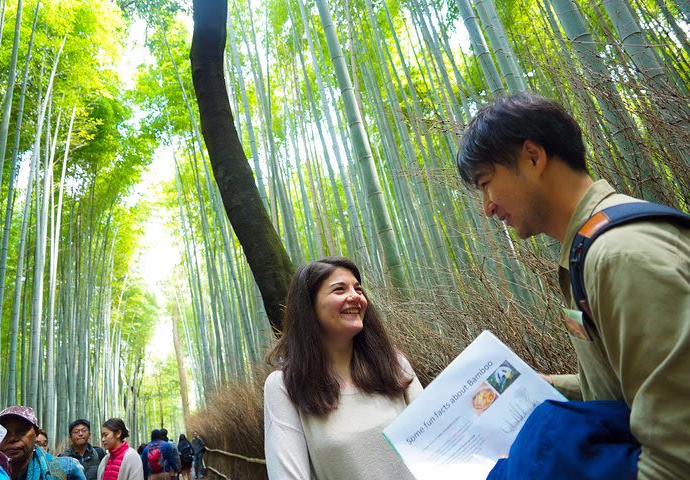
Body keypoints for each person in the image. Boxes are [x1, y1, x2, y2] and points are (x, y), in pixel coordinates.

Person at [456, 92, 690, 478]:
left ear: (533, 157)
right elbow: (631, 384)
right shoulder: (590, 250)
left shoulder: (620, 257)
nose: (487, 207)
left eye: (486, 183)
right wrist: (549, 385)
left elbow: (677, 461)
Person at [264, 256, 423, 479]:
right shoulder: (285, 386)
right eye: (339, 290)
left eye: (358, 289)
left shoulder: (394, 365)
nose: (355, 297)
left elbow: (437, 444)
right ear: (309, 307)